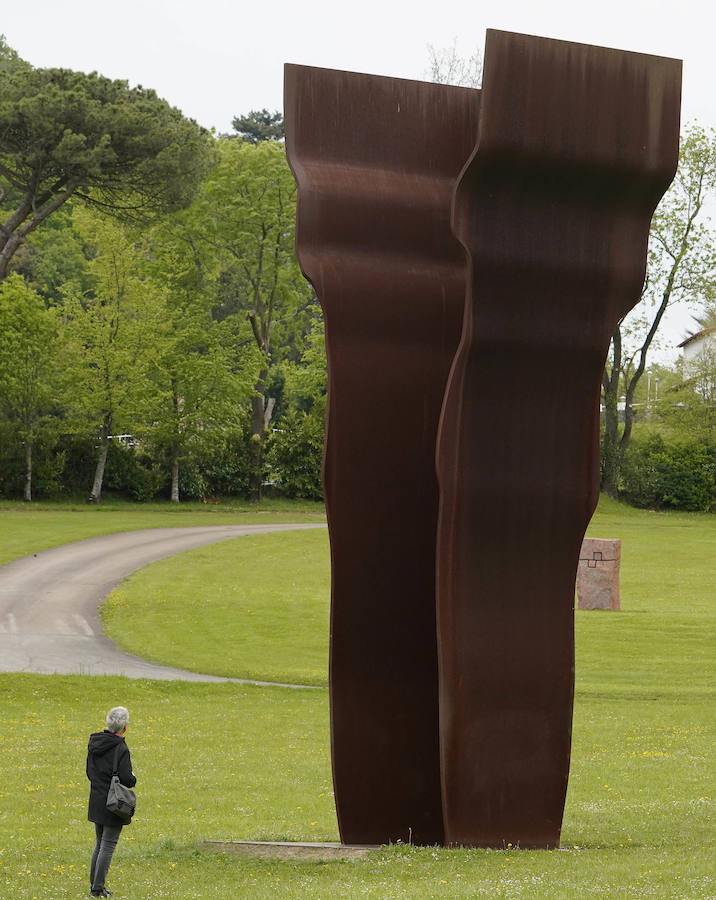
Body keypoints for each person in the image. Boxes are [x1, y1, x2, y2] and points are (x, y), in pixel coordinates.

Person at [86, 706, 136, 898]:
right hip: (114, 802)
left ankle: (95, 886)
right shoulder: (120, 748)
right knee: (107, 846)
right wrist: (133, 778)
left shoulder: (94, 742)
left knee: (99, 844)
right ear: (124, 727)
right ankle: (97, 889)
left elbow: (89, 772)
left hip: (96, 798)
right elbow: (127, 779)